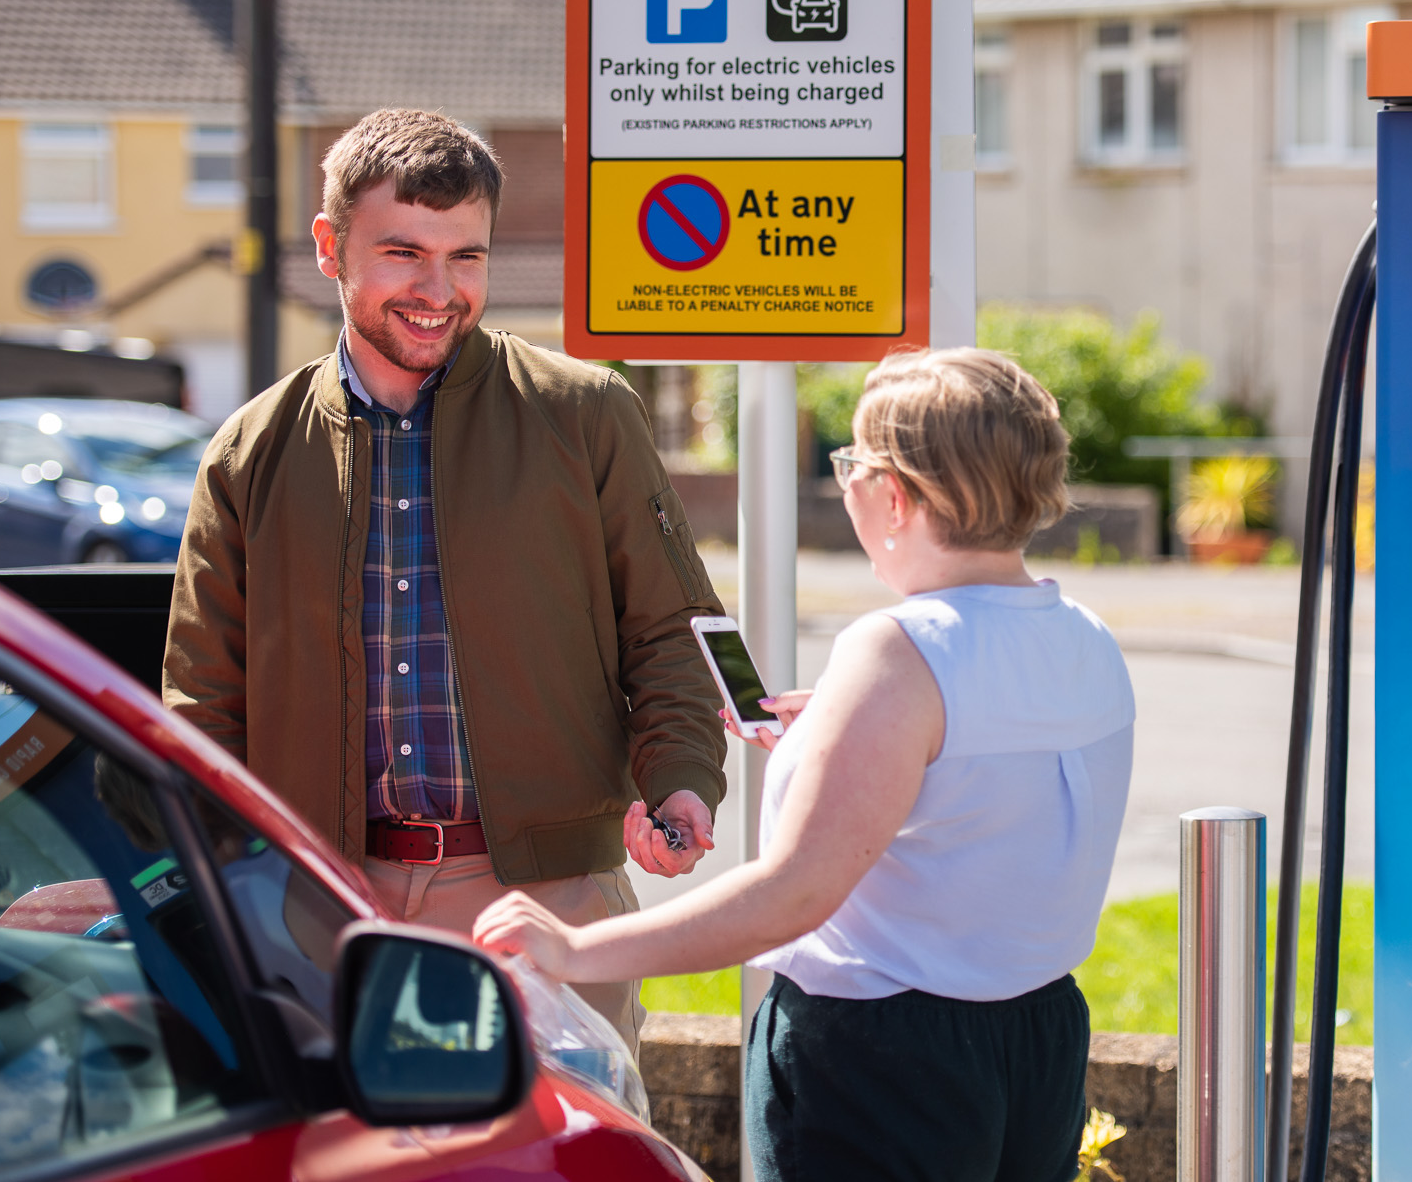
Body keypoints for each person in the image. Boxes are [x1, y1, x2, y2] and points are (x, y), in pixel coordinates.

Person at [475, 347, 1136, 1182]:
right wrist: (845, 737)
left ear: (894, 494)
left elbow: (789, 897)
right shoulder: (1084, 635)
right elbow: (982, 805)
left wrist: (576, 949)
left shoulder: (897, 652)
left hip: (884, 1057)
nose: (847, 480)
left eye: (852, 460)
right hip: (1038, 1036)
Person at [164, 108, 727, 1054]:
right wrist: (234, 878)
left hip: (548, 900)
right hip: (323, 904)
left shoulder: (586, 413)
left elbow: (680, 629)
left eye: (466, 256)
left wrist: (682, 781)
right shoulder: (248, 452)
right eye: (403, 253)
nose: (438, 289)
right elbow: (200, 703)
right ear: (329, 247)